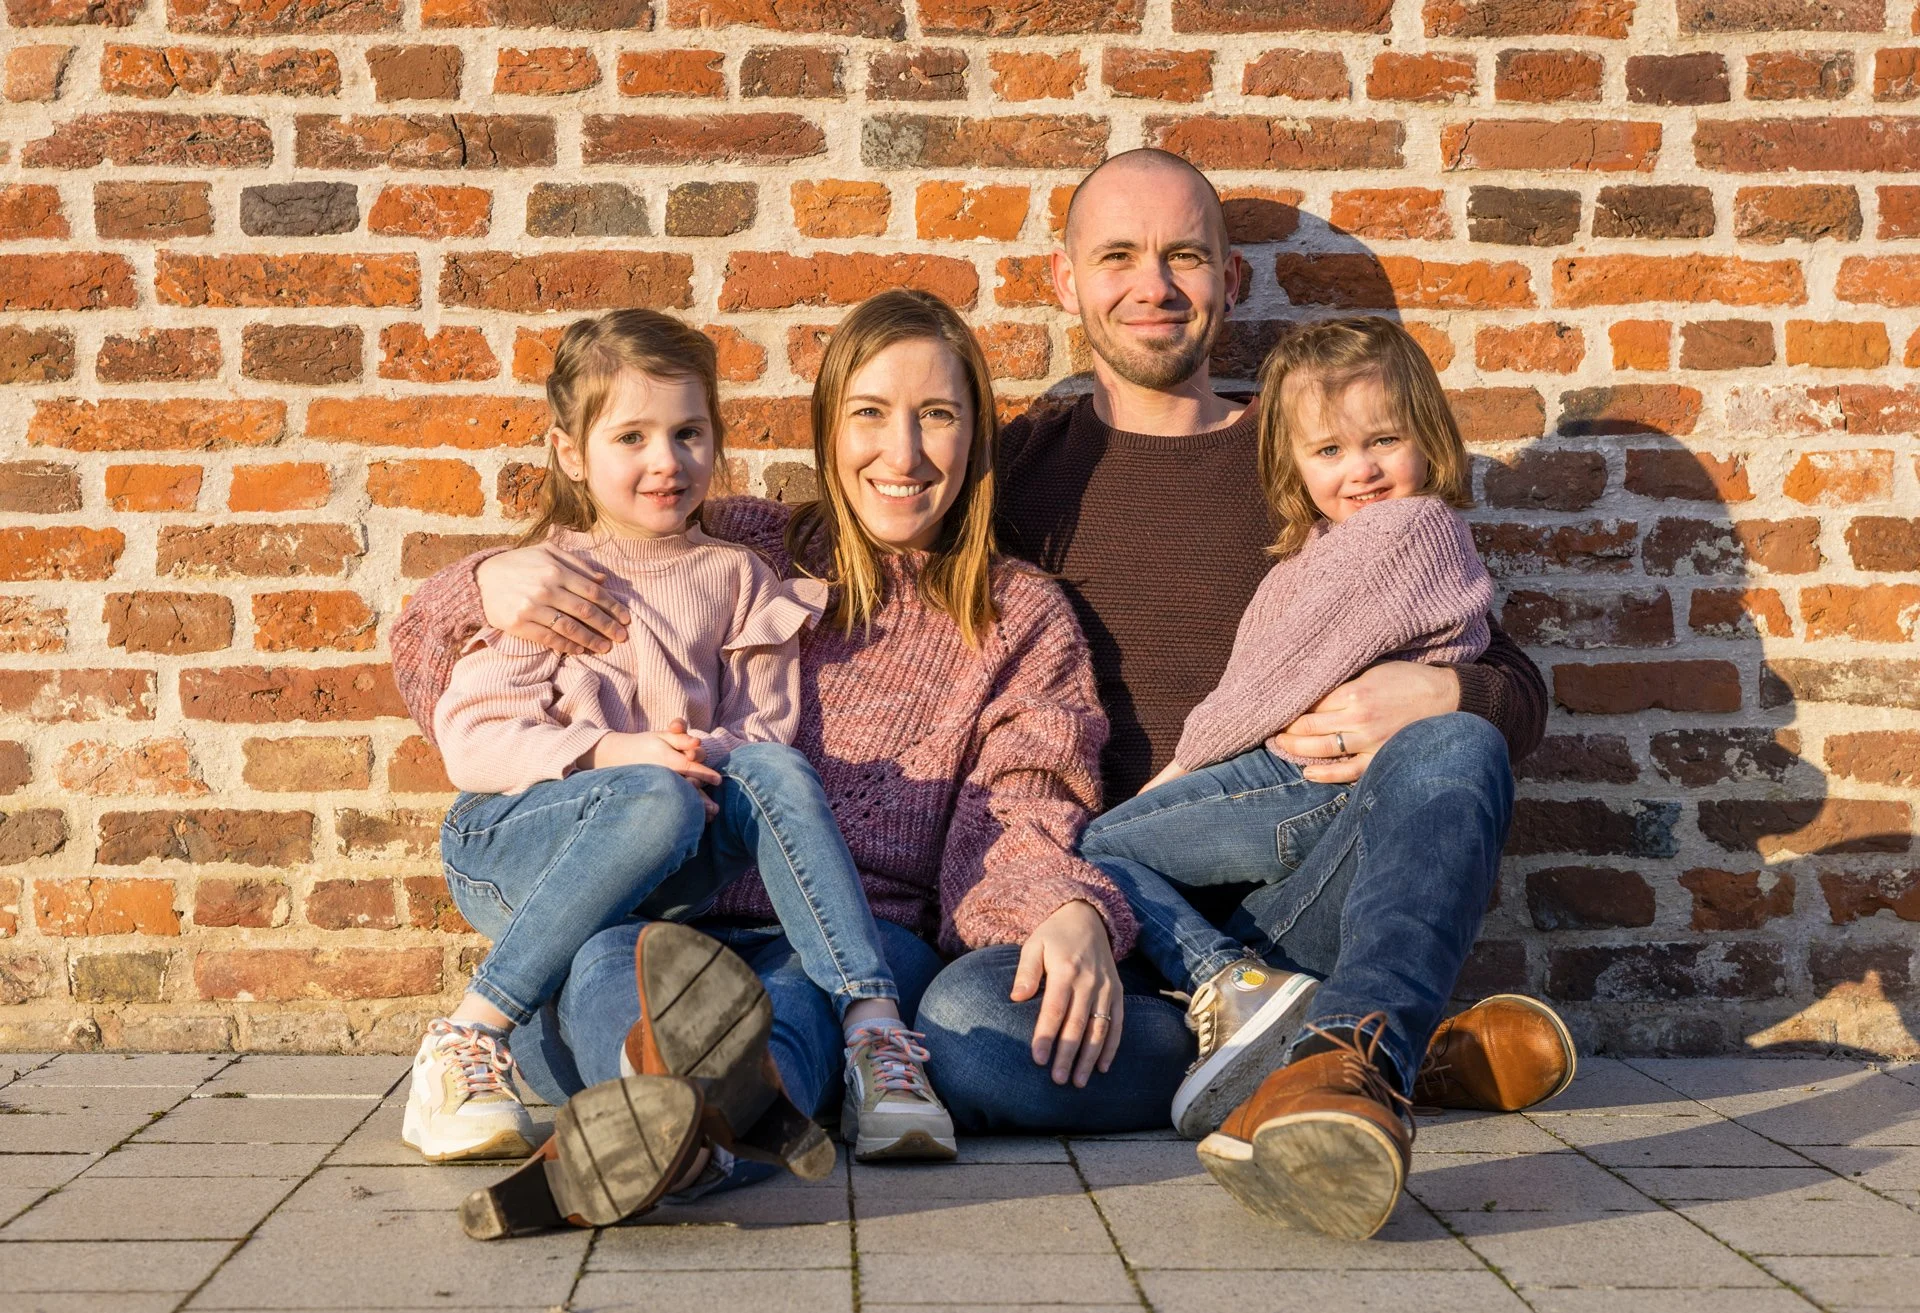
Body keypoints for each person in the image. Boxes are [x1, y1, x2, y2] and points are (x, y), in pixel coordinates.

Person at [908, 149, 1576, 1240]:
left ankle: (1343, 1053)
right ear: (1064, 280)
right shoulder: (1018, 467)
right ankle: (1375, 1049)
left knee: (1456, 747)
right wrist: (543, 565)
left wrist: (1440, 691)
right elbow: (856, 527)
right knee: (964, 1027)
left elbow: (1511, 682)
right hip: (1119, 928)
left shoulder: (1316, 447)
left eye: (1184, 256)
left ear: (1231, 278)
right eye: (1117, 256)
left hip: (1299, 897)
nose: (1153, 285)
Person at [388, 291, 1142, 1229]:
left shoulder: (1019, 615)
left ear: (977, 435)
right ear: (828, 430)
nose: (902, 454)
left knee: (795, 1009)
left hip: (854, 925)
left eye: (937, 416)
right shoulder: (740, 539)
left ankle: (674, 1134)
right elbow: (439, 666)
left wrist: (1058, 902)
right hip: (671, 893)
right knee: (607, 971)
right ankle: (679, 1123)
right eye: (869, 413)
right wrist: (483, 582)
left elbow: (1023, 802)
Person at [403, 309, 954, 1169]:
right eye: (633, 435)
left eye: (689, 433)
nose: (667, 461)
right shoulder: (551, 578)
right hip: (515, 846)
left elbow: (764, 729)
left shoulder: (738, 576)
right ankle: (466, 1040)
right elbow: (473, 740)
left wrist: (696, 752)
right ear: (569, 452)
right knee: (654, 797)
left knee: (770, 765)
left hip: (675, 858)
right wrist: (625, 754)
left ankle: (871, 1038)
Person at [1080, 315, 1497, 1144]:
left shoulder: (1406, 531)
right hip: (1298, 819)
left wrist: (1181, 769)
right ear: (1293, 464)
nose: (1363, 469)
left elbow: (1278, 680)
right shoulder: (1314, 551)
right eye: (1329, 452)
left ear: (1430, 438)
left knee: (1096, 849)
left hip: (1298, 782)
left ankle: (1239, 992)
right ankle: (1363, 1040)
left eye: (1385, 439)